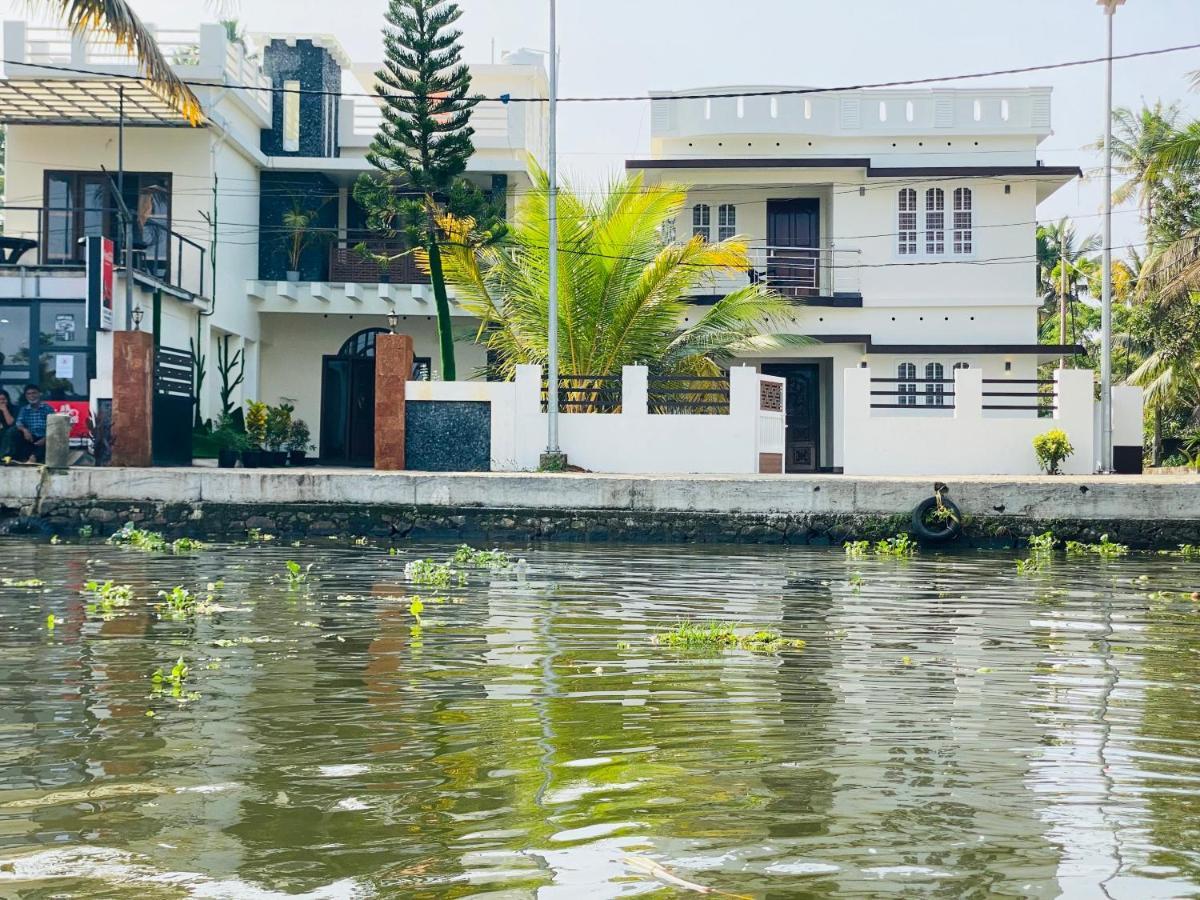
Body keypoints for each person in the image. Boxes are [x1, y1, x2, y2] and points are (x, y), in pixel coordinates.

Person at [13, 384, 55, 464]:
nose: (31, 396)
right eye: (29, 394)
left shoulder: (47, 408)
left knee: (50, 441)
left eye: (34, 393)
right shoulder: (24, 409)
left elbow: (54, 426)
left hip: (44, 438)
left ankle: (33, 458)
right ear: (26, 396)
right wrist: (25, 430)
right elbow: (19, 423)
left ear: (39, 394)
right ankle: (15, 458)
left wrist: (46, 438)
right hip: (30, 438)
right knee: (15, 433)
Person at [0, 388, 15, 458]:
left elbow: (10, 423)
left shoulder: (13, 408)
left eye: (4, 399)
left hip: (8, 433)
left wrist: (4, 409)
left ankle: (3, 456)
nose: (2, 401)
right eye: (0, 399)